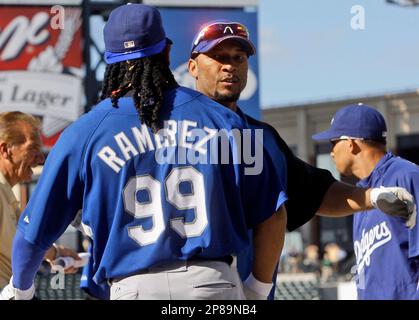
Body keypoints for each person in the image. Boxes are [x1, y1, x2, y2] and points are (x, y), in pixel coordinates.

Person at [1, 4, 287, 300]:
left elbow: (32, 234)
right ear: (166, 52)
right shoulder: (226, 120)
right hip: (212, 284)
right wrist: (258, 288)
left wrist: (20, 289)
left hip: (132, 288)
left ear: (110, 61)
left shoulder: (82, 133)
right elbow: (274, 215)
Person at [187, 19, 416, 299]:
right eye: (219, 57)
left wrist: (371, 197)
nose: (230, 66)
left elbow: (315, 193)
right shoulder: (167, 132)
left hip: (239, 288)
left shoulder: (262, 138)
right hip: (189, 284)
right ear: (193, 67)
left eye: (239, 57)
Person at [312, 104, 418, 299]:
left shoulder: (407, 177)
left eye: (333, 142)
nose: (332, 152)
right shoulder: (360, 196)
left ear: (351, 143)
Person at [0, 111, 81, 291]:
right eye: (32, 149)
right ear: (5, 150)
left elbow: (25, 241)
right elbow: (24, 243)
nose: (41, 158)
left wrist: (56, 253)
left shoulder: (6, 193)